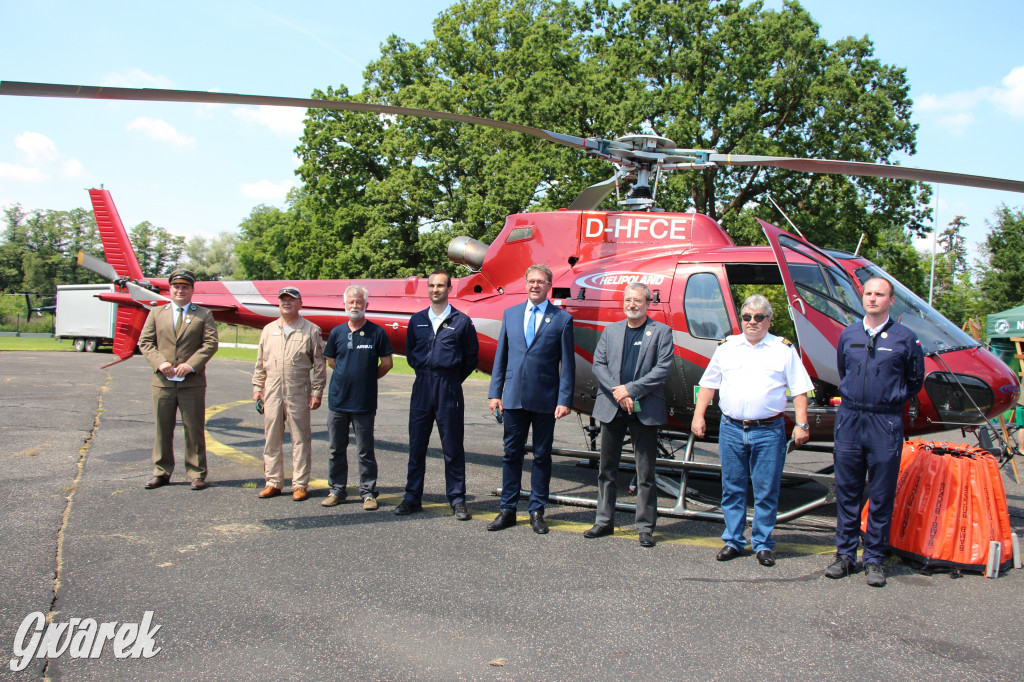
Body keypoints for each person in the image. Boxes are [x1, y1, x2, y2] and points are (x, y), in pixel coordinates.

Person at [691, 294, 813, 567]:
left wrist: (802, 424)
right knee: (732, 488)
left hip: (769, 431)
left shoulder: (783, 349)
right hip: (731, 428)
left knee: (766, 490)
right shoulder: (727, 347)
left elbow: (800, 389)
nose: (752, 322)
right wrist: (699, 416)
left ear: (769, 320)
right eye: (747, 316)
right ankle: (733, 541)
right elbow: (708, 384)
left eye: (759, 317)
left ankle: (763, 543)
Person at [828, 276, 924, 587]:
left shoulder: (905, 339)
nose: (872, 298)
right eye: (868, 293)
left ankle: (874, 559)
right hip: (850, 419)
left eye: (879, 294)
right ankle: (845, 556)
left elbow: (914, 380)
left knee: (881, 494)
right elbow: (844, 371)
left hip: (885, 422)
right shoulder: (849, 334)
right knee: (847, 491)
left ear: (890, 300)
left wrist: (889, 398)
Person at [583, 283, 674, 547]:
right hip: (613, 407)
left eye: (637, 300)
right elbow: (598, 365)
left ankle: (645, 527)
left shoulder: (661, 332)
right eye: (628, 300)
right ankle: (604, 521)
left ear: (648, 303)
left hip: (645, 409)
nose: (632, 305)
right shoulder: (610, 331)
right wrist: (619, 394)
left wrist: (630, 390)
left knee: (645, 473)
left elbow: (662, 369)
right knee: (606, 470)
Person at [487, 264, 575, 534]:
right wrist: (495, 393)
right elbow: (501, 357)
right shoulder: (511, 314)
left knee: (542, 456)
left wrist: (565, 399)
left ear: (549, 286)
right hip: (513, 398)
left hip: (546, 400)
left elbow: (568, 365)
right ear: (525, 284)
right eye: (531, 281)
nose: (535, 285)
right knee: (511, 455)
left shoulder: (562, 319)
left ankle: (537, 510)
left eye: (541, 281)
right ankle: (508, 509)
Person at [396, 270, 480, 521]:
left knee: (452, 447)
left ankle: (457, 499)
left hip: (448, 387)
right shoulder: (417, 320)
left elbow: (471, 358)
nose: (435, 289)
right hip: (422, 386)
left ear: (449, 289)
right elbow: (411, 354)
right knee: (416, 446)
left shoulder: (461, 321)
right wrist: (426, 373)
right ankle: (412, 497)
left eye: (441, 285)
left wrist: (451, 378)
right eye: (432, 285)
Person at [138, 268, 219, 490]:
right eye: (176, 287)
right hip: (163, 381)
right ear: (170, 289)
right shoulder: (156, 313)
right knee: (162, 428)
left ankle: (197, 473)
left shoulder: (203, 314)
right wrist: (160, 363)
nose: (180, 291)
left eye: (185, 287)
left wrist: (190, 365)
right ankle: (161, 472)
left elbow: (210, 344)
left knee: (194, 428)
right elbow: (145, 342)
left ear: (192, 290)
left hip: (191, 382)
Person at [321, 286, 394, 510]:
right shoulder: (337, 333)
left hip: (364, 403)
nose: (355, 306)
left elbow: (387, 363)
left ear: (366, 305)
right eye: (351, 302)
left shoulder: (377, 332)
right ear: (344, 305)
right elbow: (331, 361)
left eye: (359, 302)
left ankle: (368, 493)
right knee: (336, 449)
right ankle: (337, 490)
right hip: (338, 402)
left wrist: (368, 379)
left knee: (365, 450)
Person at [251, 287, 327, 501]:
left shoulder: (311, 330)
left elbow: (319, 365)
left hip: (298, 391)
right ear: (278, 303)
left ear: (300, 304)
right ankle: (273, 482)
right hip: (272, 391)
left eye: (291, 300)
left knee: (300, 439)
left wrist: (317, 391)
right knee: (271, 438)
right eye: (283, 299)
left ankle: (300, 484)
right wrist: (257, 387)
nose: (287, 303)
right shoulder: (268, 330)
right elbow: (260, 362)